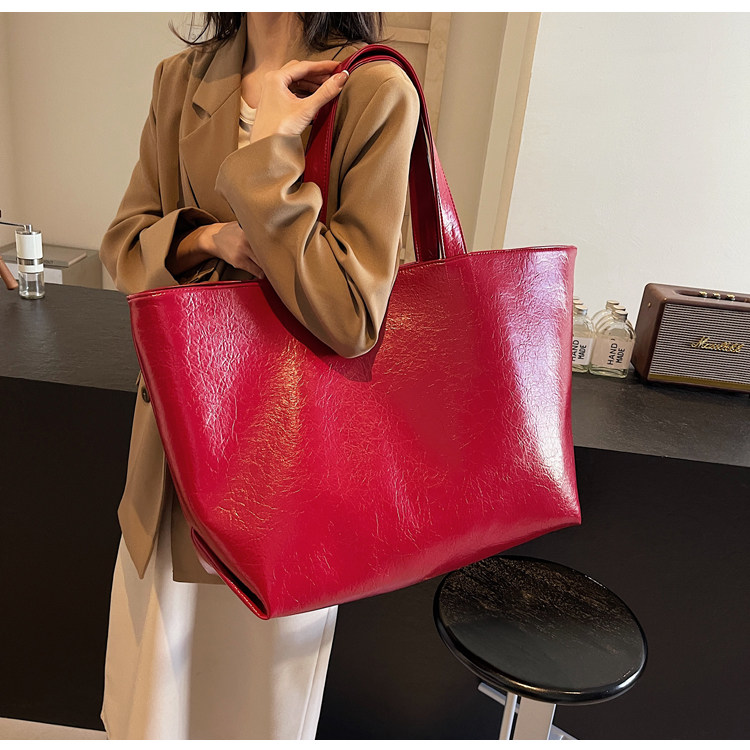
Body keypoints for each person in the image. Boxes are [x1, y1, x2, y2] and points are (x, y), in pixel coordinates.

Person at [98, 11, 419, 740]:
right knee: (153, 709)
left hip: (290, 470)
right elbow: (124, 247)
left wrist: (270, 159)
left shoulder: (373, 90)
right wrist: (210, 238)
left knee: (255, 714)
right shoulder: (181, 80)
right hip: (176, 456)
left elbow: (351, 315)